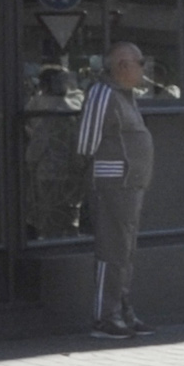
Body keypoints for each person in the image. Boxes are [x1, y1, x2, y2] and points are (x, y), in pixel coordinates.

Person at [78, 40, 156, 339]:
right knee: (112, 250)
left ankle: (123, 311)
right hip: (112, 185)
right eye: (140, 63)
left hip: (131, 186)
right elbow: (85, 145)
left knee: (125, 251)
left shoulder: (126, 96)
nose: (143, 69)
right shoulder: (102, 94)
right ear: (123, 65)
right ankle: (104, 317)